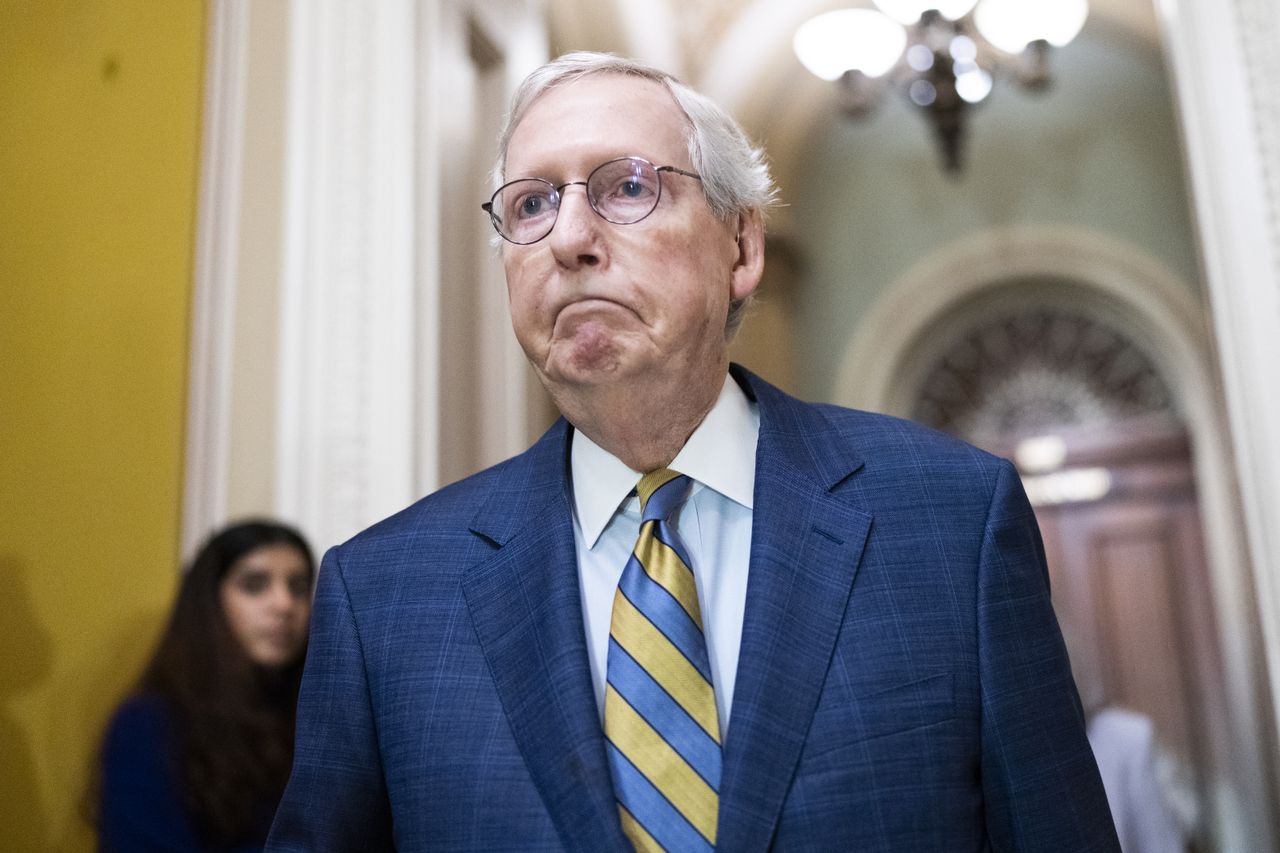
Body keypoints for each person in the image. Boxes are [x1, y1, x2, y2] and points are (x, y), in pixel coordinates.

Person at [268, 52, 1119, 851]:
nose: (569, 237)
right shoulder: (381, 597)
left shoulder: (952, 524)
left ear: (742, 247)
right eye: (531, 204)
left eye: (626, 187)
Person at [94, 520, 314, 852]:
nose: (283, 605)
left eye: (299, 587)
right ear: (210, 601)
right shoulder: (150, 724)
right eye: (255, 585)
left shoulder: (318, 717)